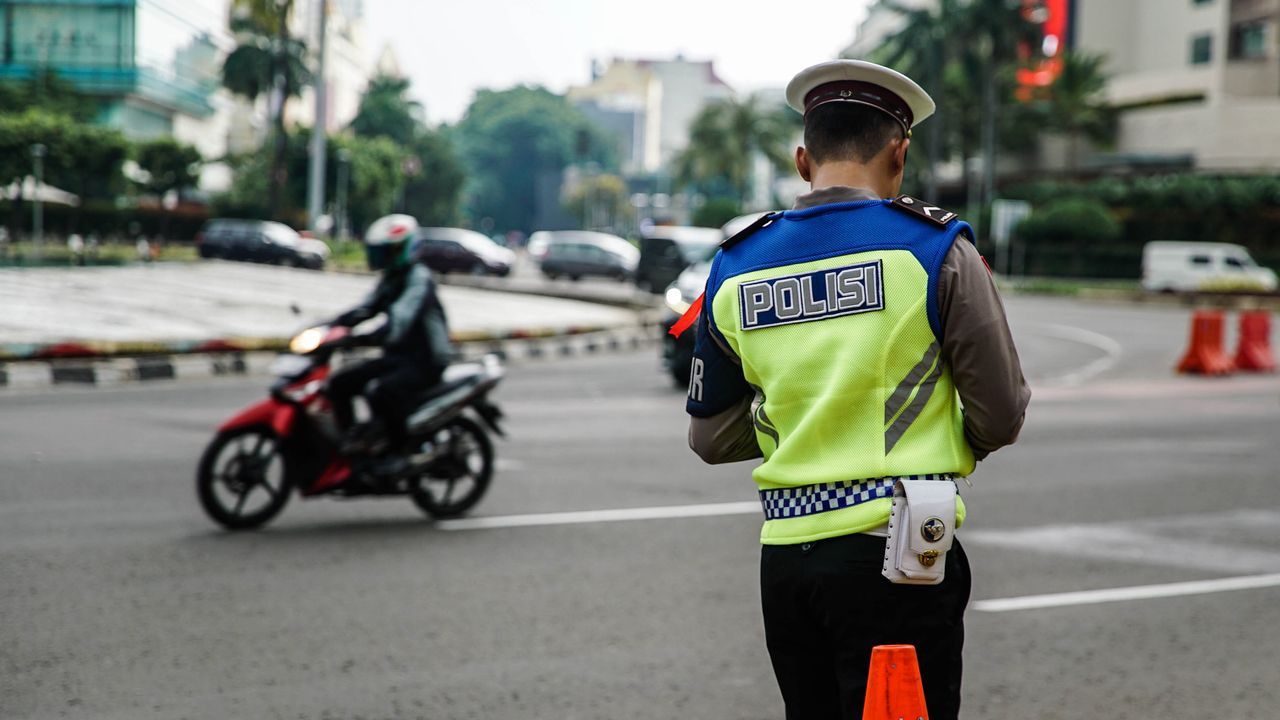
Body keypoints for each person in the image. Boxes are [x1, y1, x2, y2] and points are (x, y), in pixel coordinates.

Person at [684, 59, 1030, 720]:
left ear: (802, 158)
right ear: (899, 154)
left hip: (785, 563)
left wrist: (801, 419)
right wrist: (936, 436)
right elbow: (1003, 412)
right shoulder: (934, 251)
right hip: (897, 556)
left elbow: (708, 436)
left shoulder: (734, 264)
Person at [327, 213, 453, 472]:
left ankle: (399, 451)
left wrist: (363, 337)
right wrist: (331, 326)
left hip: (426, 360)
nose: (384, 257)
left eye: (388, 251)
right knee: (340, 383)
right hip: (398, 356)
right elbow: (366, 308)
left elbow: (399, 320)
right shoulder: (392, 278)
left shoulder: (419, 279)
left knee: (381, 391)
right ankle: (355, 444)